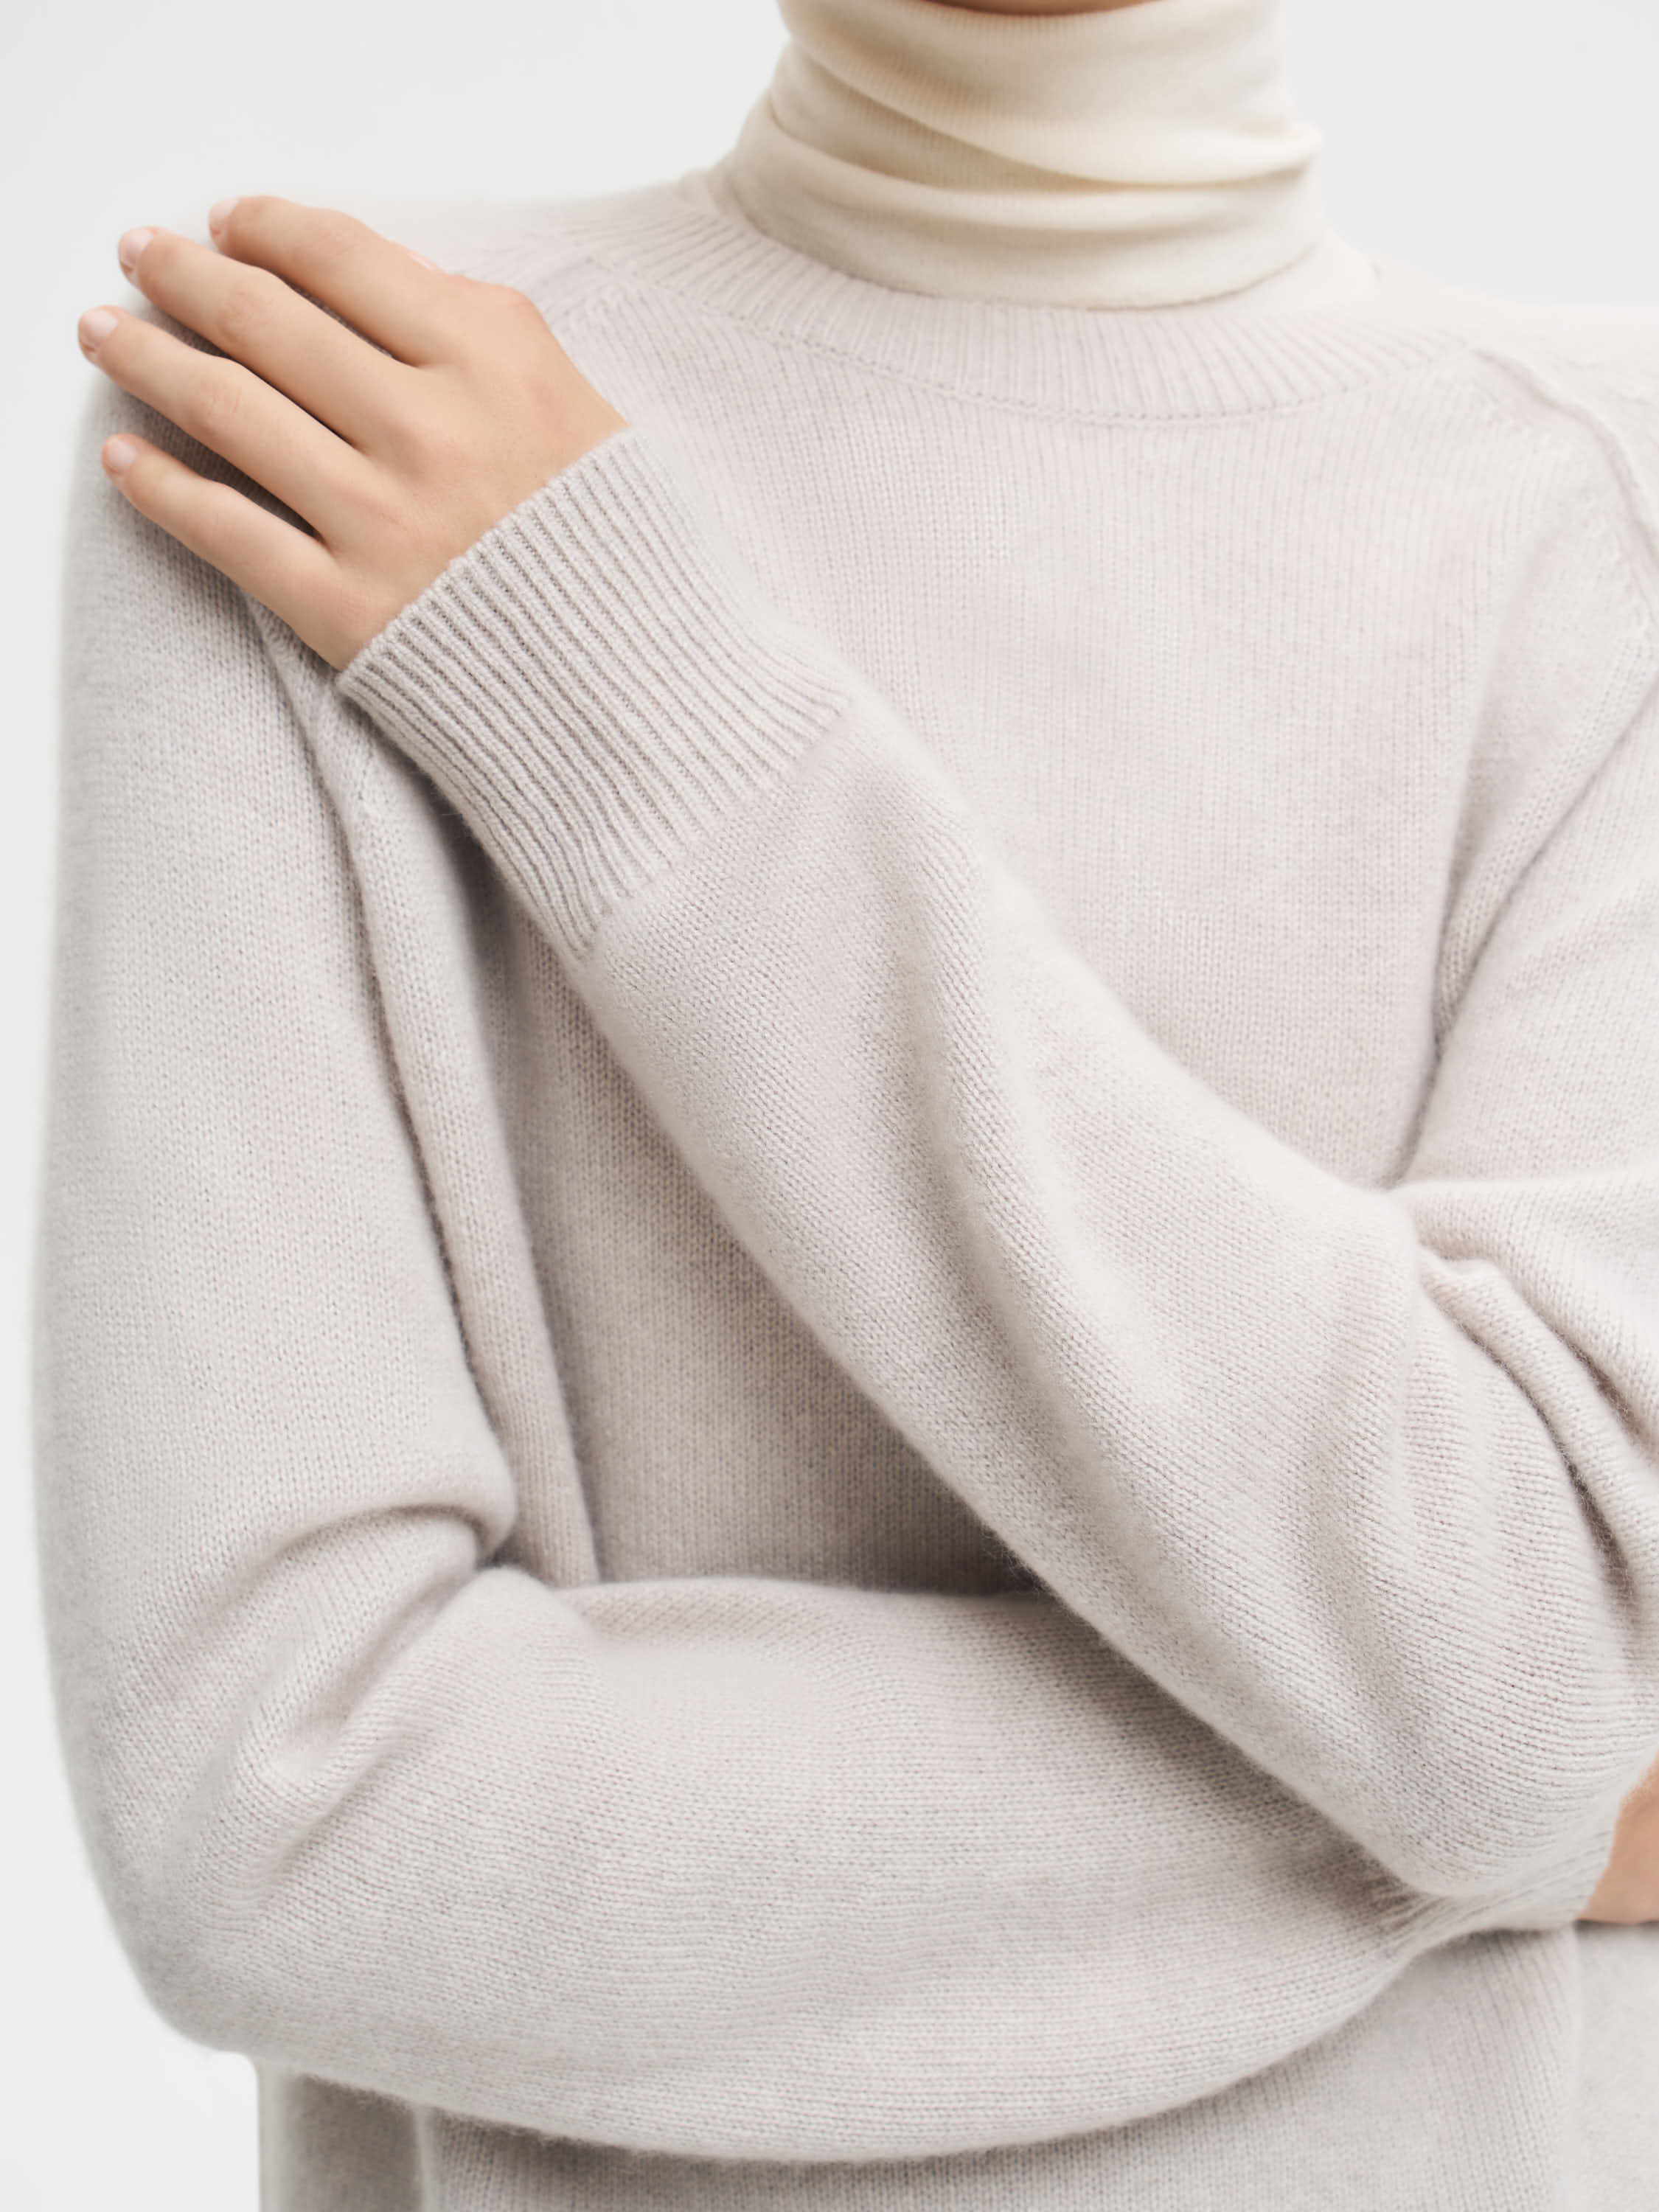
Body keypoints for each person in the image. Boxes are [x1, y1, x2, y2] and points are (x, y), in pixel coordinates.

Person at [35, 0, 1659, 2205]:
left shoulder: (1614, 509)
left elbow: (1521, 1642)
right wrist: (1486, 1832)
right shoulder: (321, 412)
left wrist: (609, 683)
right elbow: (282, 1821)